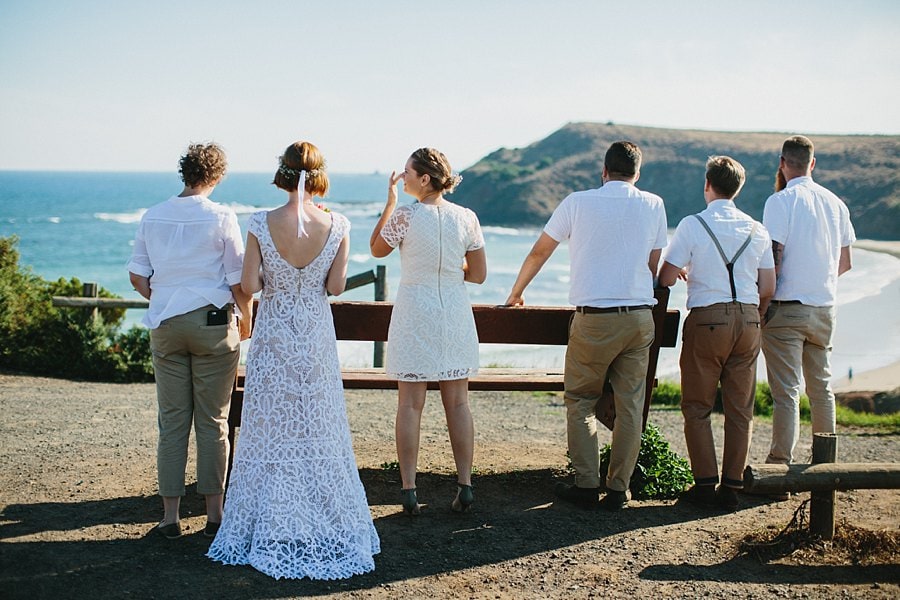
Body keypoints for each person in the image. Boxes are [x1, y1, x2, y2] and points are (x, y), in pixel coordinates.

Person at [207, 141, 380, 579]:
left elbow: (249, 283)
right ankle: (322, 516)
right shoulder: (338, 224)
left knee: (270, 424)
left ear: (282, 174)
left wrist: (276, 274)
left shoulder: (260, 222)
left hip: (277, 335)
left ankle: (269, 517)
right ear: (319, 175)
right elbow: (337, 286)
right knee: (318, 423)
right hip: (316, 337)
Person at [505, 141, 667, 511]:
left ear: (603, 171)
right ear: (636, 174)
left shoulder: (577, 202)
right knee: (630, 406)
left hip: (594, 320)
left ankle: (585, 483)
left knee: (581, 401)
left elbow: (540, 251)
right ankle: (618, 488)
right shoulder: (653, 204)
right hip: (639, 317)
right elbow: (653, 266)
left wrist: (517, 292)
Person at [127, 142, 252, 539]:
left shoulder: (153, 215)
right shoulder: (221, 216)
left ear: (185, 173)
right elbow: (238, 279)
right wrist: (245, 316)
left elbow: (137, 276)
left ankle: (169, 518)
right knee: (213, 421)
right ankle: (214, 515)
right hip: (212, 324)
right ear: (216, 176)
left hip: (165, 323)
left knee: (173, 422)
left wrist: (166, 299)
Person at [370, 147, 486, 515]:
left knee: (409, 404)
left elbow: (376, 250)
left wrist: (388, 202)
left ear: (424, 178)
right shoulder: (467, 217)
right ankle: (465, 484)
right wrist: (452, 269)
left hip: (415, 313)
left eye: (407, 172)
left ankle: (408, 491)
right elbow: (480, 275)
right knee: (459, 403)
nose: (402, 177)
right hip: (453, 312)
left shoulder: (404, 214)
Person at [658, 156, 775, 510]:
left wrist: (683, 272)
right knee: (740, 409)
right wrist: (755, 316)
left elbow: (664, 277)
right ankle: (732, 486)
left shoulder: (693, 225)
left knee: (697, 406)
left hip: (708, 319)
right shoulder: (757, 229)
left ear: (707, 185)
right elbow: (767, 285)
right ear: (737, 188)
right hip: (749, 319)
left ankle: (705, 484)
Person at [762, 135, 855, 472]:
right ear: (812, 164)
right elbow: (845, 263)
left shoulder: (781, 201)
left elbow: (775, 256)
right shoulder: (835, 204)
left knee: (786, 393)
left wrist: (764, 303)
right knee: (822, 388)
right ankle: (823, 463)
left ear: (783, 163)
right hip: (824, 308)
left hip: (787, 308)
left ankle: (779, 462)